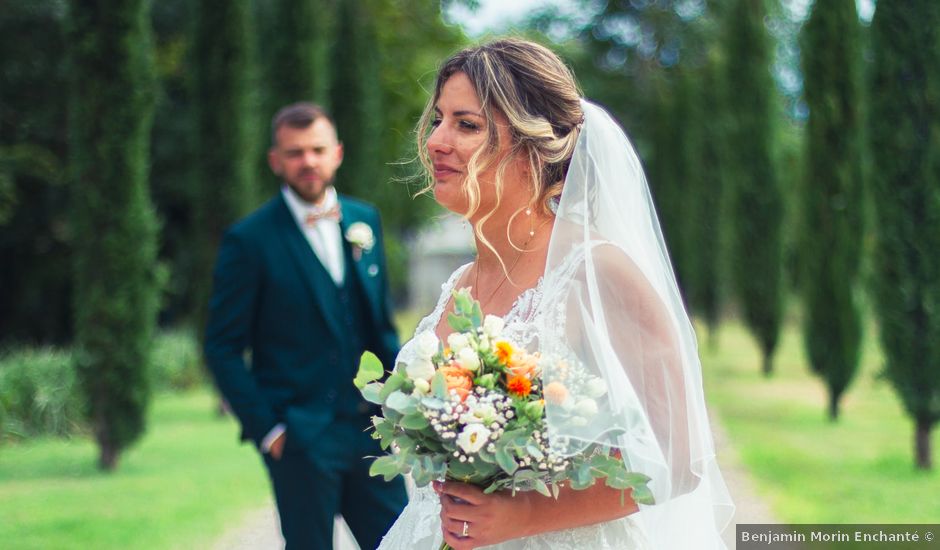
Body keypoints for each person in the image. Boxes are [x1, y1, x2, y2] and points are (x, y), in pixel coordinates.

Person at [377, 39, 733, 550]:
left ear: (535, 147)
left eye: (466, 124)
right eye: (438, 119)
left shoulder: (596, 272)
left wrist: (520, 515)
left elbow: (681, 459)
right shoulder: (458, 283)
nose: (436, 140)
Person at [204, 102, 407, 550]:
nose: (308, 162)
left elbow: (380, 327)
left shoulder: (364, 220)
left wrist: (402, 405)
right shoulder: (249, 240)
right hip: (298, 438)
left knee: (404, 542)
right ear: (276, 161)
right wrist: (270, 431)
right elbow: (221, 346)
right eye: (295, 153)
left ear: (336, 153)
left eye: (317, 149)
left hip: (372, 428)